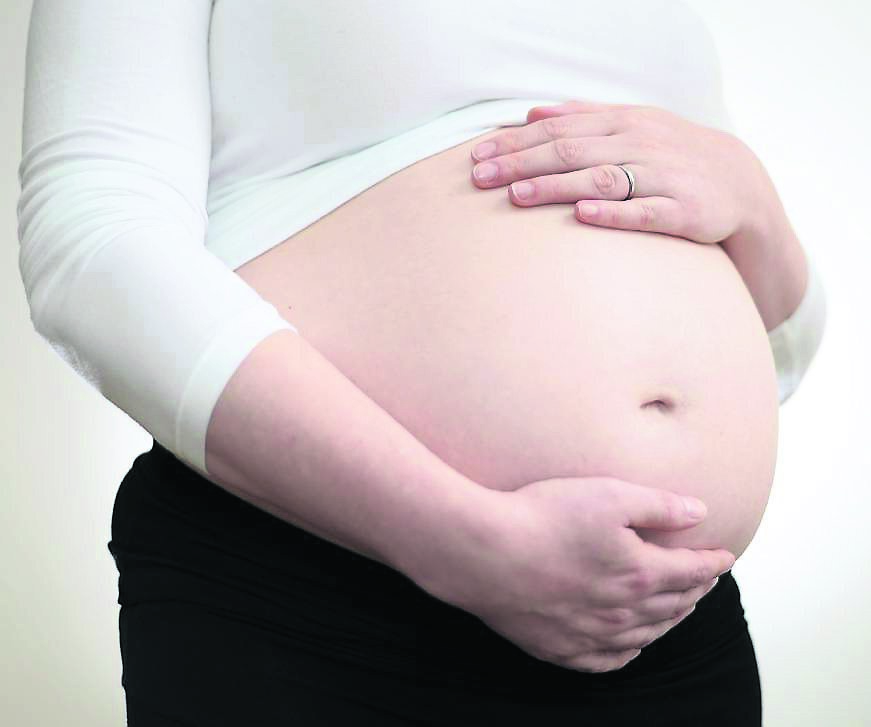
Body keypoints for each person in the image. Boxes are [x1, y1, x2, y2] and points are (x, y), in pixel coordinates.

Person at [16, 1, 825, 725]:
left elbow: (782, 352)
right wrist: (456, 539)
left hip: (663, 625)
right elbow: (88, 240)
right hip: (317, 596)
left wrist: (753, 203)